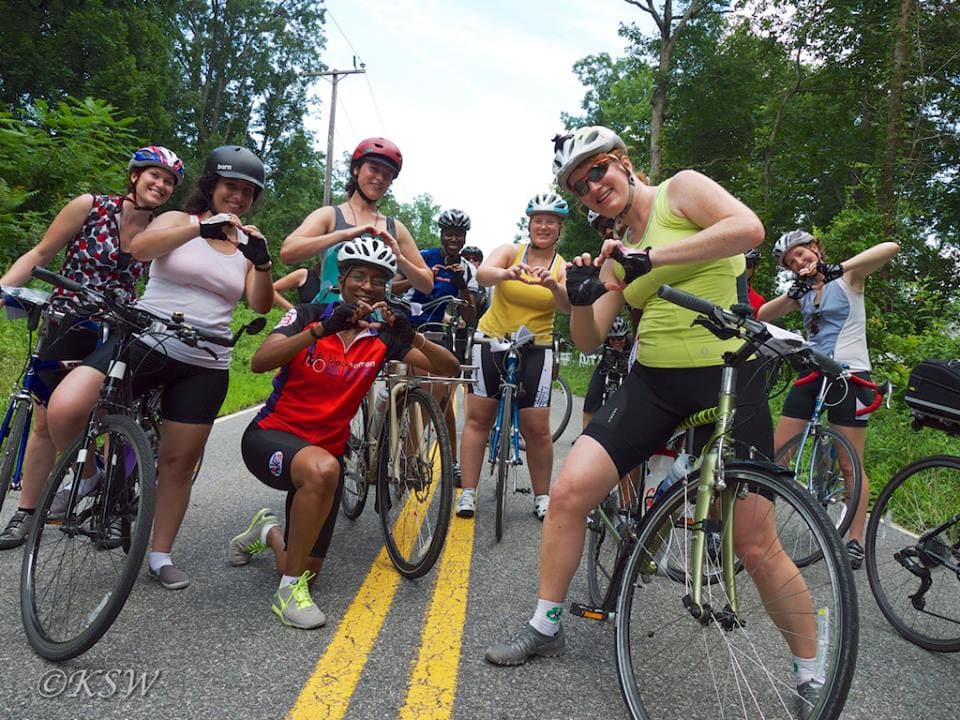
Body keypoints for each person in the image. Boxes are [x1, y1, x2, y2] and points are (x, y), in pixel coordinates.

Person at [485, 126, 823, 710]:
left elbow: (748, 230)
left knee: (755, 542)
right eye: (578, 186)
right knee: (568, 492)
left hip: (727, 377)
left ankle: (811, 672)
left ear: (623, 163)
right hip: (653, 384)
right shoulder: (616, 250)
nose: (591, 187)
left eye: (597, 171)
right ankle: (545, 624)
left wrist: (652, 256)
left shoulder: (679, 191)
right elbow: (589, 337)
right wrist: (579, 294)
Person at [46, 145, 275, 589]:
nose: (239, 198)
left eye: (248, 192)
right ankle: (89, 474)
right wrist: (198, 228)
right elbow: (139, 248)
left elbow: (259, 302)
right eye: (231, 187)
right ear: (212, 187)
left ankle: (160, 553)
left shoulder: (247, 240)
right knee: (65, 408)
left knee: (178, 460)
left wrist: (262, 260)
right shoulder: (176, 221)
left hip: (206, 359)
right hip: (146, 340)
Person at [228, 236, 459, 629]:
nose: (367, 286)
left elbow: (448, 369)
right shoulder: (308, 314)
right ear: (342, 279)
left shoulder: (381, 335)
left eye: (377, 280)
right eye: (359, 276)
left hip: (324, 460)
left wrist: (412, 336)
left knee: (304, 569)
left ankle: (266, 530)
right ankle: (286, 596)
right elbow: (260, 362)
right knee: (323, 471)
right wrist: (320, 329)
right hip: (272, 436)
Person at [0, 145, 184, 549]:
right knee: (47, 419)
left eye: (170, 181)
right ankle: (29, 512)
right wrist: (4, 289)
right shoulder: (91, 206)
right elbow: (42, 252)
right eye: (155, 175)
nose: (161, 184)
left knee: (107, 415)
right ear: (134, 175)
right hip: (69, 319)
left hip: (119, 329)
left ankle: (115, 505)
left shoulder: (161, 231)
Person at [758, 229, 899, 569]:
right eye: (791, 261)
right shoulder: (802, 292)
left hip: (851, 376)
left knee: (850, 463)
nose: (798, 261)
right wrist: (793, 293)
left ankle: (854, 540)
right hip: (812, 373)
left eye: (802, 254)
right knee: (776, 455)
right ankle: (759, 531)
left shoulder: (849, 277)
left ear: (816, 249)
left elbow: (890, 247)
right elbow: (762, 315)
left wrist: (837, 268)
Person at [456, 192, 571, 520]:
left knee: (537, 429)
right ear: (530, 223)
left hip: (537, 347)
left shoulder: (561, 265)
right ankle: (467, 492)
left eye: (551, 221)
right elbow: (482, 274)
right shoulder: (511, 251)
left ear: (559, 227)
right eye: (538, 220)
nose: (543, 226)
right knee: (479, 418)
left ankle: (542, 496)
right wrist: (506, 274)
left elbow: (566, 306)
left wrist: (554, 286)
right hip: (491, 341)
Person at [280, 137, 433, 302]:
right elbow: (288, 252)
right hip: (329, 320)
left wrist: (400, 260)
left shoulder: (395, 228)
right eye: (374, 169)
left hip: (374, 322)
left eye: (387, 175)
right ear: (356, 169)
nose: (380, 178)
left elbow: (427, 284)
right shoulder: (329, 215)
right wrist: (342, 235)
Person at [392, 208, 478, 483]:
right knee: (403, 395)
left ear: (464, 237)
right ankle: (389, 447)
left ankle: (435, 459)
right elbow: (390, 288)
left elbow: (470, 315)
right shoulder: (423, 256)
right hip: (407, 329)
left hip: (438, 336)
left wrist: (462, 287)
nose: (454, 239)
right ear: (441, 234)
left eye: (459, 234)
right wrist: (422, 276)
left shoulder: (467, 268)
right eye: (449, 233)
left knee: (441, 398)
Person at [580, 315, 631, 431]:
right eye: (613, 339)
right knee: (592, 395)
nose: (616, 342)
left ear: (625, 336)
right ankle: (585, 433)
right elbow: (587, 352)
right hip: (606, 368)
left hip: (626, 371)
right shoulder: (604, 342)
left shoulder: (632, 343)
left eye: (620, 338)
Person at [460, 245, 490, 319]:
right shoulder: (452, 277)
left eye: (475, 259)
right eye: (467, 259)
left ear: (480, 262)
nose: (471, 261)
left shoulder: (487, 285)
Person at [745, 247, 766, 316]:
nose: (743, 268)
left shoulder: (759, 301)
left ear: (755, 268)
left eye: (747, 264)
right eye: (737, 264)